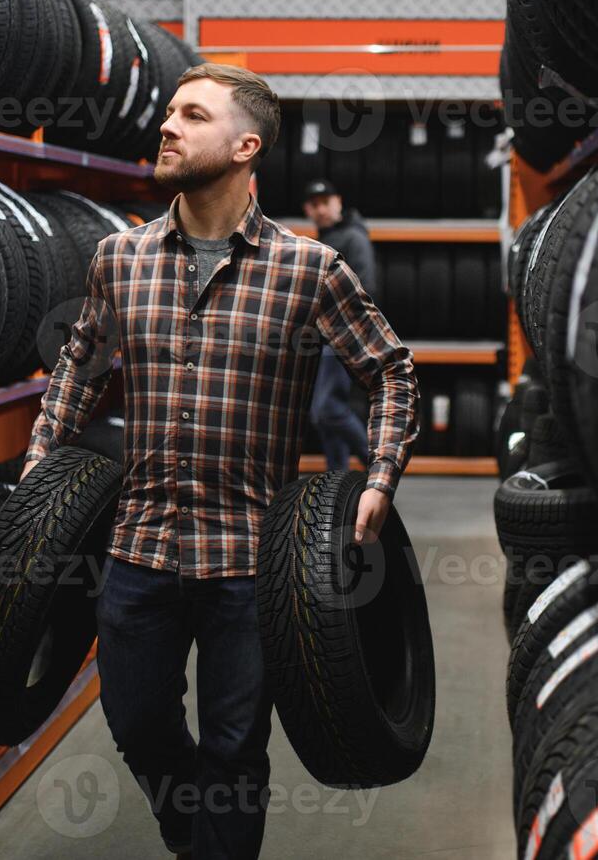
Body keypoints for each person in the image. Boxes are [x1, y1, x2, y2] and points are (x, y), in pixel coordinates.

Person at [21, 64, 419, 859]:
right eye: (168, 112)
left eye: (190, 115)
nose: (166, 126)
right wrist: (41, 458)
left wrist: (378, 475)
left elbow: (391, 370)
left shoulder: (308, 269)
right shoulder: (118, 258)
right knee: (137, 724)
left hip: (249, 562)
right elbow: (79, 365)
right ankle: (196, 838)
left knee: (236, 746)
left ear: (245, 146)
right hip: (139, 549)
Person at [301, 178, 379, 471]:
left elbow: (365, 288)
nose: (321, 209)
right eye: (314, 204)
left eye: (326, 202)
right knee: (324, 414)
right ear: (307, 209)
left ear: (339, 202)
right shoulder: (327, 239)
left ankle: (378, 467)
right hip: (325, 336)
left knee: (327, 410)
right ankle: (337, 478)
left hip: (344, 335)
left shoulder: (353, 238)